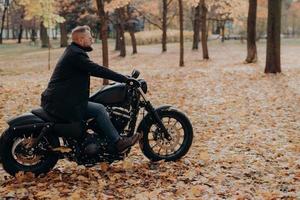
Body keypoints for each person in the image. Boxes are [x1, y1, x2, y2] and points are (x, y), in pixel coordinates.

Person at [41, 25, 139, 153]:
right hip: (62, 103)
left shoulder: (73, 51)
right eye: (90, 37)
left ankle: (99, 139)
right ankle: (118, 142)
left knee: (97, 104)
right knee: (99, 109)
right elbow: (97, 70)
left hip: (62, 99)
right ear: (81, 40)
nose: (92, 39)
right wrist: (124, 79)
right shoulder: (76, 55)